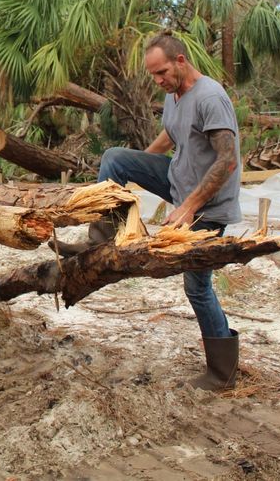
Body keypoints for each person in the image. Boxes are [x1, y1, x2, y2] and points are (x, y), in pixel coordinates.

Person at [52, 31, 243, 391]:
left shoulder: (211, 97)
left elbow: (228, 161)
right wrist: (138, 165)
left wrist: (188, 207)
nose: (158, 82)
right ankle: (100, 240)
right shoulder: (175, 95)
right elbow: (170, 137)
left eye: (162, 73)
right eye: (153, 75)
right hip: (178, 182)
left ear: (181, 61)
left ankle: (222, 373)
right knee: (115, 159)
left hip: (209, 204)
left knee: (197, 286)